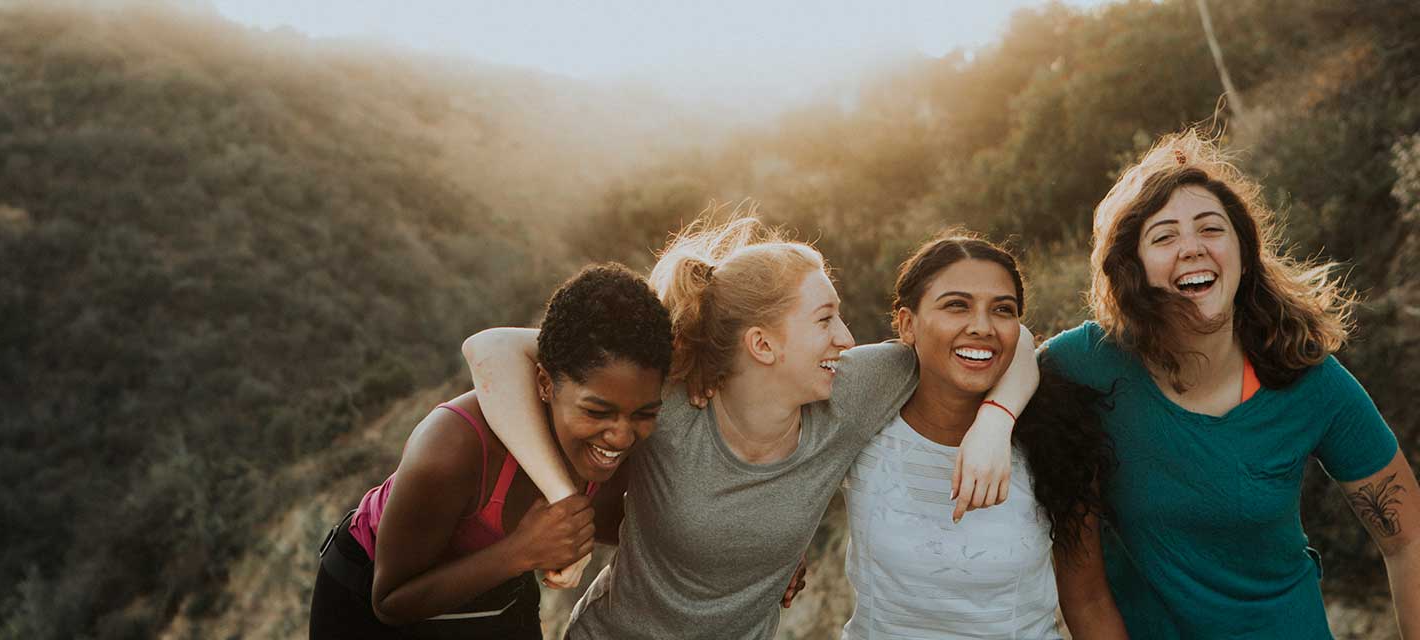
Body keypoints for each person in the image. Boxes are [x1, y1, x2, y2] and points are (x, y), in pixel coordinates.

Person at [462, 216, 1038, 639]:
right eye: (825, 319)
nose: (847, 338)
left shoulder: (853, 388)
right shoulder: (670, 398)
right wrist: (566, 504)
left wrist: (995, 420)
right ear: (762, 344)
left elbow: (1012, 341)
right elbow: (491, 350)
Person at [1043, 130, 1420, 638]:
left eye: (1210, 229)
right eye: (1164, 236)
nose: (1191, 248)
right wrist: (994, 419)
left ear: (1243, 253)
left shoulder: (1308, 378)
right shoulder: (1088, 362)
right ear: (1133, 268)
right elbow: (1004, 360)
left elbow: (1408, 538)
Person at [307, 264, 673, 639]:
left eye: (644, 414)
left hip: (496, 587)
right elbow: (390, 602)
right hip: (370, 598)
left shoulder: (618, 449)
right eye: (597, 412)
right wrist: (524, 551)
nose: (621, 436)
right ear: (545, 383)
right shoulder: (451, 448)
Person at [841, 233, 1127, 639]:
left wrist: (996, 422)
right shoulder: (864, 421)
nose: (981, 327)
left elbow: (1089, 602)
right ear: (907, 324)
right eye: (957, 305)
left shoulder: (1058, 442)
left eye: (1002, 310)